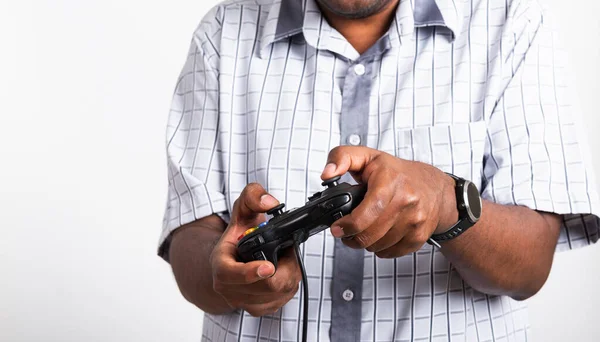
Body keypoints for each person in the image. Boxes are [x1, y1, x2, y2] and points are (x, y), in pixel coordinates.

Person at [158, 0, 600, 340]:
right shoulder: (221, 33)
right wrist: (227, 275)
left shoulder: (510, 23)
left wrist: (446, 205)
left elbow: (530, 264)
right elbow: (189, 241)